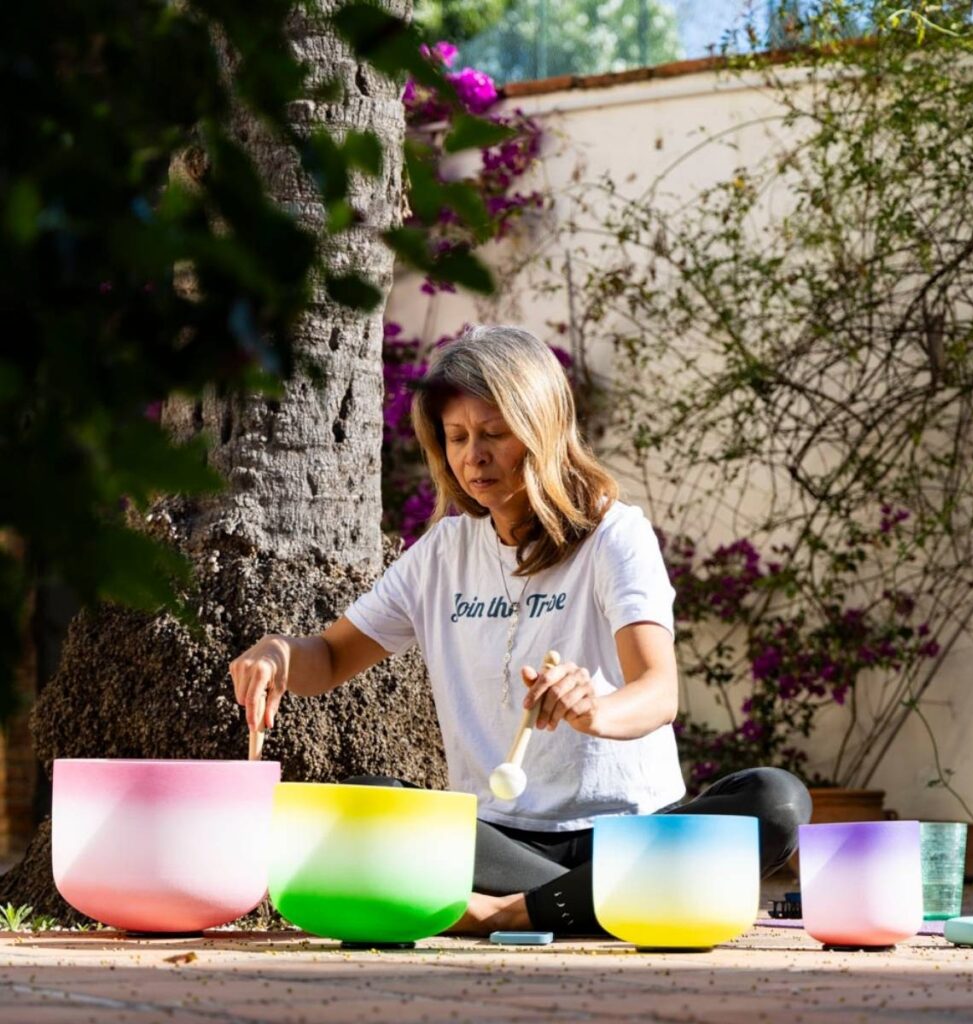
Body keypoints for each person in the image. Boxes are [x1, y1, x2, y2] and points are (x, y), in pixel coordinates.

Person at [229, 324, 811, 936]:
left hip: (632, 837)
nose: (472, 456)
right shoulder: (443, 553)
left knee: (776, 801)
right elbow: (328, 658)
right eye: (457, 437)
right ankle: (609, 902)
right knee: (364, 803)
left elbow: (658, 692)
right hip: (500, 844)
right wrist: (280, 653)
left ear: (541, 429)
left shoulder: (615, 536)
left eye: (494, 434)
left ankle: (506, 913)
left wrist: (595, 710)